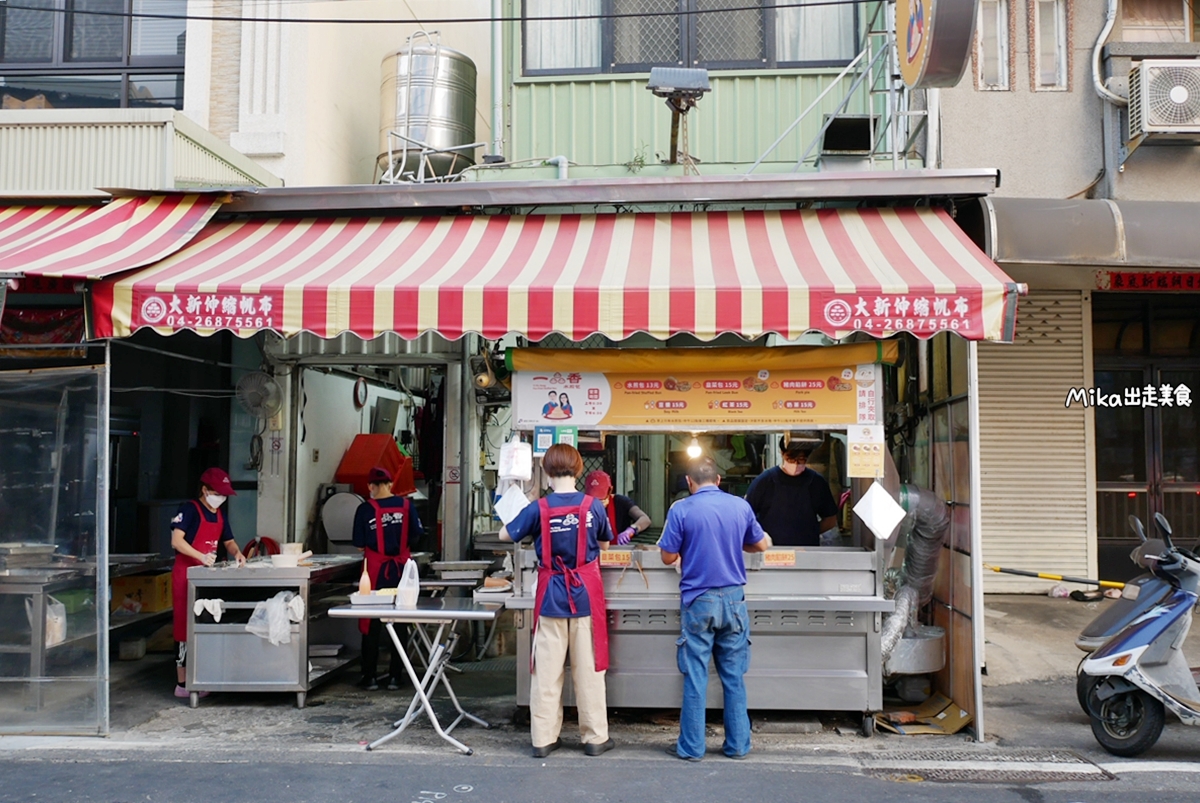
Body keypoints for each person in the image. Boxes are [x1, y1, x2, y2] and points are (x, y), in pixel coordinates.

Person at [500, 443, 615, 758]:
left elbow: (505, 535)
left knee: (547, 673)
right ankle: (594, 738)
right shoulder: (594, 506)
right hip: (585, 596)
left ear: (547, 472)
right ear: (579, 470)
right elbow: (605, 544)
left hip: (551, 595)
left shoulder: (538, 508)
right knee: (588, 670)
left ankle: (543, 740)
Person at [658, 457, 771, 761]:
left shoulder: (681, 509)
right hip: (734, 600)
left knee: (696, 675)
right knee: (733, 676)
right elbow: (761, 545)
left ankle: (692, 747)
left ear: (688, 482)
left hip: (698, 600)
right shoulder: (739, 506)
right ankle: (737, 746)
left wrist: (687, 548)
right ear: (719, 480)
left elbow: (667, 557)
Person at [170, 467, 245, 699]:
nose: (220, 498)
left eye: (224, 494)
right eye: (217, 493)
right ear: (205, 490)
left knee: (205, 625)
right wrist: (200, 556)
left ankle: (204, 674)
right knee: (184, 629)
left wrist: (238, 554)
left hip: (208, 577)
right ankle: (183, 683)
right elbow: (176, 540)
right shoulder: (190, 510)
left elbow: (229, 541)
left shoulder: (220, 514)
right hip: (186, 575)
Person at [352, 465, 424, 690]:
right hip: (401, 572)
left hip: (374, 572)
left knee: (371, 621)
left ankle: (370, 676)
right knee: (400, 621)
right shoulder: (407, 506)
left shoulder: (364, 510)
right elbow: (417, 536)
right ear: (391, 485)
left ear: (370, 486)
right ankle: (396, 676)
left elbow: (358, 544)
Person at [744, 437, 838, 547]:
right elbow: (745, 516)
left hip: (807, 551)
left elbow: (830, 519)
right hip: (771, 552)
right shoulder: (764, 482)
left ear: (807, 457)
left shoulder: (816, 483)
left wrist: (809, 532)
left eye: (801, 459)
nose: (795, 464)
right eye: (791, 459)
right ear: (782, 453)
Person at [583, 470, 651, 545]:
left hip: (617, 551)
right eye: (594, 498)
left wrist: (632, 530)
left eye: (601, 498)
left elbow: (645, 519)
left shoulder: (621, 502)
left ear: (610, 490)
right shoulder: (581, 505)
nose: (598, 502)